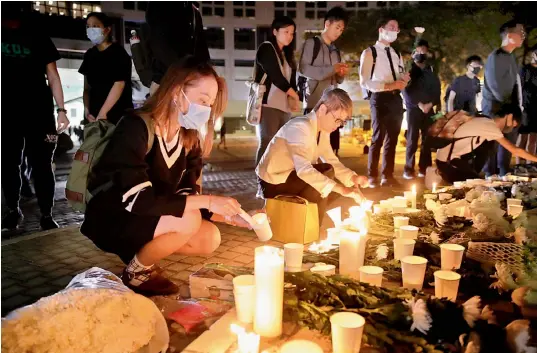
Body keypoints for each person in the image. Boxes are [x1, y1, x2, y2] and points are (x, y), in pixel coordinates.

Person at [80, 58, 253, 295]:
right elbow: (138, 199)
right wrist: (210, 201)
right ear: (176, 91)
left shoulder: (188, 139)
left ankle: (142, 252)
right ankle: (136, 273)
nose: (205, 110)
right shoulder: (135, 127)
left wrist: (234, 216)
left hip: (150, 216)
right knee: (189, 219)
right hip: (115, 217)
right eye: (202, 100)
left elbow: (186, 194)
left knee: (209, 237)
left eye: (210, 104)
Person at [1, 6, 70, 231]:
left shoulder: (37, 36)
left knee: (41, 165)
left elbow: (53, 75)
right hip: (6, 113)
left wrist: (61, 110)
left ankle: (46, 214)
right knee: (8, 164)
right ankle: (13, 210)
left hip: (39, 113)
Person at [256, 88, 368, 225]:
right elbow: (304, 170)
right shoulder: (300, 127)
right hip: (273, 181)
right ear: (322, 110)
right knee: (327, 178)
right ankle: (310, 225)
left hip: (290, 176)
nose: (338, 126)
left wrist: (352, 178)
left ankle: (303, 219)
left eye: (342, 122)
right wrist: (343, 189)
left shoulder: (322, 131)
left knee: (329, 179)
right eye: (337, 120)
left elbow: (331, 160)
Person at [359, 17, 410, 188]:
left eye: (397, 28)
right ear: (381, 29)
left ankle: (387, 176)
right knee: (378, 137)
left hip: (395, 98)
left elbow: (399, 78)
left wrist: (403, 80)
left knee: (392, 139)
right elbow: (365, 81)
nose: (395, 31)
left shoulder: (396, 54)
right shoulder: (369, 53)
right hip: (379, 97)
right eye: (392, 27)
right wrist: (389, 85)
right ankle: (372, 176)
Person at [435, 104, 537, 183]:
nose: (512, 128)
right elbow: (515, 150)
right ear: (509, 117)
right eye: (514, 125)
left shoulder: (485, 121)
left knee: (476, 181)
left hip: (450, 159)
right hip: (447, 163)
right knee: (475, 185)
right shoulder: (490, 127)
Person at [298, 6, 350, 154]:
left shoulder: (336, 51)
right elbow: (304, 69)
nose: (339, 32)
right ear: (327, 24)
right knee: (311, 146)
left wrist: (341, 73)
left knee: (330, 150)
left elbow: (338, 80)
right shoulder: (312, 44)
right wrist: (332, 69)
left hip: (333, 105)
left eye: (341, 30)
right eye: (337, 27)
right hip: (315, 102)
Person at [254, 16, 300, 165]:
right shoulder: (266, 48)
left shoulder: (287, 55)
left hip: (284, 107)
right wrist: (293, 94)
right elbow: (275, 75)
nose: (290, 36)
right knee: (267, 142)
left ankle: (275, 180)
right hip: (268, 105)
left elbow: (291, 80)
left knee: (281, 145)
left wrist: (294, 97)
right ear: (275, 31)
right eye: (286, 31)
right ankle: (261, 180)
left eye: (292, 33)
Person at [482, 20, 525, 177]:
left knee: (508, 147)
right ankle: (490, 176)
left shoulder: (511, 57)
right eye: (520, 32)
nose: (523, 35)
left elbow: (514, 85)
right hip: (496, 111)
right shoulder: (496, 57)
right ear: (509, 35)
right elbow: (498, 89)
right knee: (493, 146)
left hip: (510, 111)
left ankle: (503, 175)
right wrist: (511, 111)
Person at [79, 12, 133, 125]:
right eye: (88, 26)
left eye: (95, 26)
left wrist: (103, 113)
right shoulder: (89, 55)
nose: (90, 29)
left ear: (107, 30)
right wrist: (87, 109)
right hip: (94, 117)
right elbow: (86, 88)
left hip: (117, 116)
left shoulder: (118, 53)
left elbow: (119, 84)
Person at [145, 2, 210, 95]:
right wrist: (182, 70)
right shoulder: (162, 5)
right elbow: (159, 42)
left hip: (187, 78)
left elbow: (201, 45)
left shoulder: (192, 10)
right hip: (166, 79)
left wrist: (206, 72)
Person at [402, 39, 440, 180]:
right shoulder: (409, 71)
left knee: (427, 140)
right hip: (414, 110)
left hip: (428, 110)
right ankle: (408, 169)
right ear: (413, 53)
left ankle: (424, 168)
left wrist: (430, 104)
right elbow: (406, 90)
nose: (421, 54)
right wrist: (419, 104)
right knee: (412, 139)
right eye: (418, 51)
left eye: (423, 51)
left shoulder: (430, 71)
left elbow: (436, 90)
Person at [516, 47, 537, 163]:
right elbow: (519, 87)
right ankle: (519, 164)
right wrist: (520, 105)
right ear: (533, 55)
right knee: (523, 136)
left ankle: (530, 163)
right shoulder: (525, 69)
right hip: (526, 107)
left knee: (534, 137)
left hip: (536, 109)